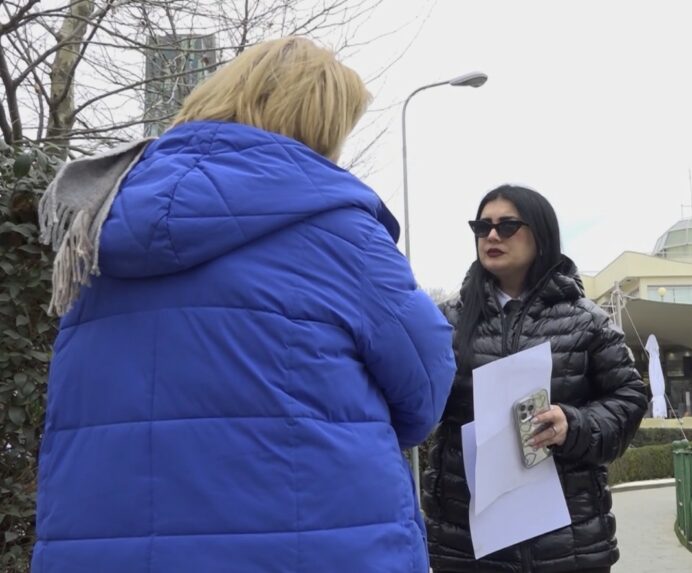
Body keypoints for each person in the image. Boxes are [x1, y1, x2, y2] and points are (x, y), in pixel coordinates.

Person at [32, 37, 455, 573]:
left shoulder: (99, 225)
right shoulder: (342, 234)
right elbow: (424, 391)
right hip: (316, 546)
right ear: (319, 125)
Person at [423, 185, 651, 572]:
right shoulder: (446, 320)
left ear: (541, 234)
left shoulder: (586, 320)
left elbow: (629, 396)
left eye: (507, 226)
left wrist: (574, 424)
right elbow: (419, 402)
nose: (491, 236)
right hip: (466, 540)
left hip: (567, 542)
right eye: (482, 226)